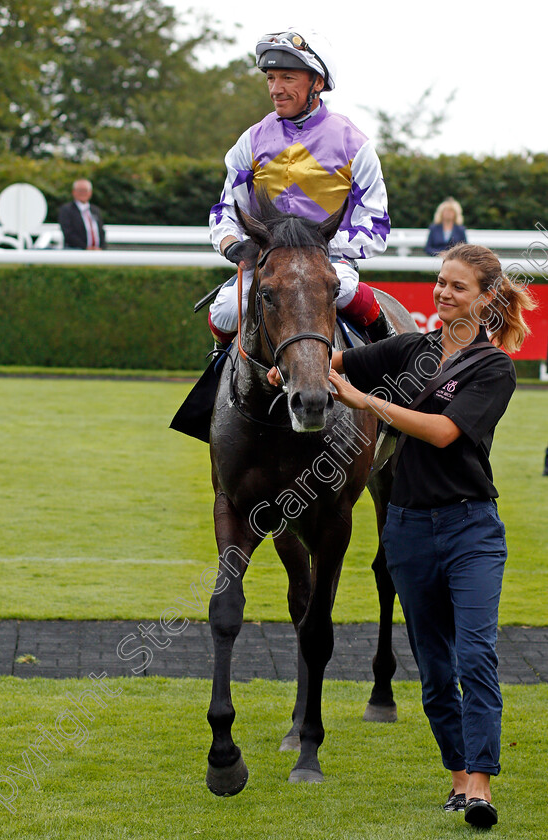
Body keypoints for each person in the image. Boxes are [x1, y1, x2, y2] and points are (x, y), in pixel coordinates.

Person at [269, 243, 535, 828]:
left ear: (487, 298)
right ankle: (458, 779)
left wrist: (367, 403)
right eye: (440, 283)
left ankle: (481, 787)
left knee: (475, 656)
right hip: (409, 530)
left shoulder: (493, 367)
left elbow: (442, 432)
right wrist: (299, 368)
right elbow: (335, 363)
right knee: (435, 667)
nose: (443, 294)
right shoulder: (413, 349)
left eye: (458, 287)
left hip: (470, 529)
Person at [208, 27, 394, 348]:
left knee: (347, 293)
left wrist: (320, 249)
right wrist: (231, 245)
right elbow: (227, 209)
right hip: (268, 261)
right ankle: (219, 380)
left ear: (317, 83)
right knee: (225, 312)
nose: (275, 89)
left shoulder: (353, 143)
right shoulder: (250, 140)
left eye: (288, 78)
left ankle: (390, 358)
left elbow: (375, 226)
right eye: (271, 78)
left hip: (330, 260)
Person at [58, 179, 106, 250]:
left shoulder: (95, 210)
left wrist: (101, 247)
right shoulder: (67, 210)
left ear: (90, 192)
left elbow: (101, 231)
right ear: (74, 192)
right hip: (75, 251)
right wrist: (85, 247)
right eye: (80, 190)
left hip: (97, 251)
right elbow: (68, 233)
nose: (83, 193)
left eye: (85, 190)